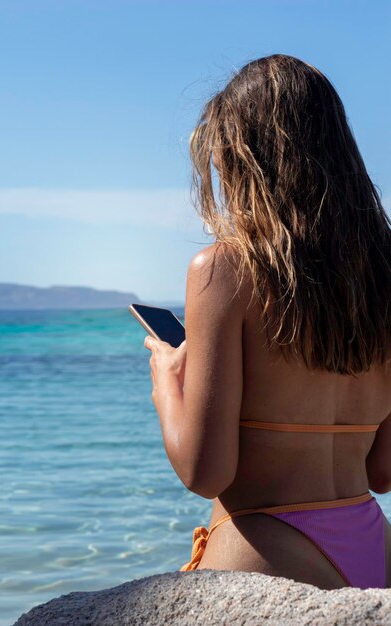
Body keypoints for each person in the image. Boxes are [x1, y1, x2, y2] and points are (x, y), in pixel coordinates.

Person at [144, 54, 391, 590]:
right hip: (373, 541)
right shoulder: (384, 276)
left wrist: (169, 380)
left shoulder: (224, 269)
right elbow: (384, 471)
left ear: (243, 159)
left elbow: (205, 473)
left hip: (266, 549)